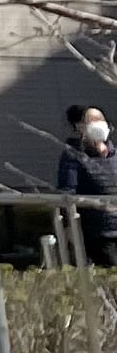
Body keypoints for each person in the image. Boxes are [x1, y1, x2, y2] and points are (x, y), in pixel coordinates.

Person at [61, 104, 116, 267]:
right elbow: (68, 191)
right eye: (92, 120)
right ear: (80, 127)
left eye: (101, 119)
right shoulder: (73, 156)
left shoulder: (114, 155)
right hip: (100, 233)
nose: (98, 124)